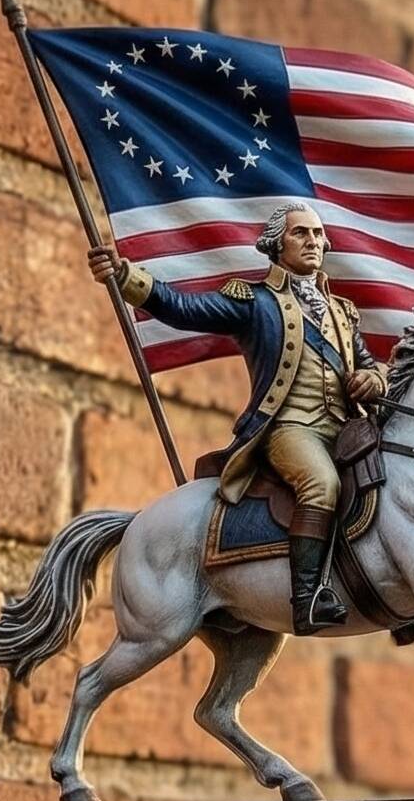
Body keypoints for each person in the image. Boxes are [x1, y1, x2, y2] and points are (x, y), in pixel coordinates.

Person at [88, 202, 387, 629]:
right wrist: (125, 277)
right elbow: (185, 309)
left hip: (343, 425)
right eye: (300, 233)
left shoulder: (341, 310)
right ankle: (306, 598)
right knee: (321, 484)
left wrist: (374, 381)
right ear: (276, 244)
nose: (313, 242)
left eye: (318, 235)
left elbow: (366, 362)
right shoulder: (254, 302)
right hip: (289, 428)